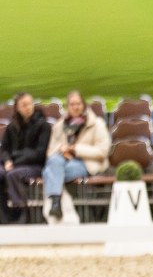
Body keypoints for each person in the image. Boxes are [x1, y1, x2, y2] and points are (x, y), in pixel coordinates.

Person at [42, 91, 112, 220]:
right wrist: (61, 148)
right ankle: (56, 204)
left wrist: (76, 149)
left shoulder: (97, 124)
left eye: (78, 104)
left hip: (87, 163)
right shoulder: (59, 125)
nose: (75, 107)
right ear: (67, 106)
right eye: (72, 104)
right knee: (54, 161)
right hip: (63, 161)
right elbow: (50, 153)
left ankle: (55, 203)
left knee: (48, 172)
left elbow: (103, 151)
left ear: (83, 105)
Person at [2, 93, 52, 223]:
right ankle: (4, 214)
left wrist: (15, 161)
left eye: (30, 104)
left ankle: (22, 212)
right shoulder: (12, 127)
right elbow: (4, 149)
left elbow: (39, 153)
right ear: (17, 107)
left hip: (35, 166)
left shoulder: (43, 126)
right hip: (13, 164)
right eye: (24, 105)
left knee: (13, 175)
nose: (28, 107)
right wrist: (7, 160)